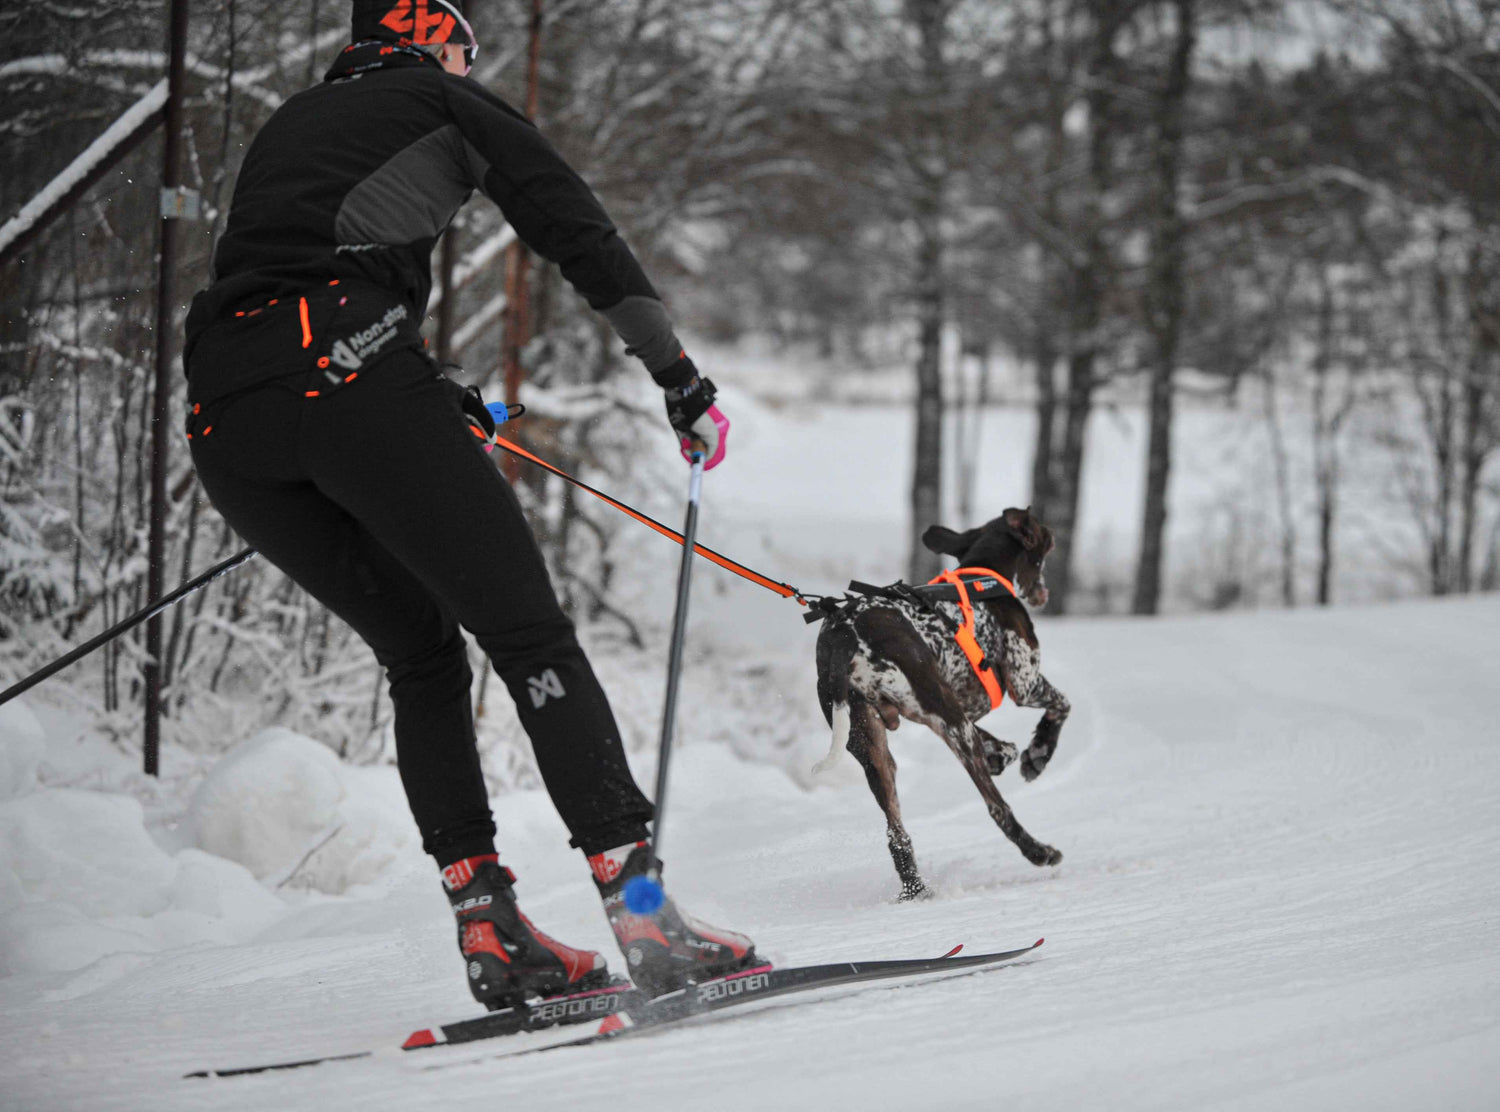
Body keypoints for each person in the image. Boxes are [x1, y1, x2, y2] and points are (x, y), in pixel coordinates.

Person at [181, 0, 751, 1008]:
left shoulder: (292, 124)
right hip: (346, 376)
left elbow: (296, 274)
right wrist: (677, 375)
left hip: (226, 420)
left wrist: (418, 389)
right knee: (530, 636)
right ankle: (645, 909)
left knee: (422, 651)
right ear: (428, 35)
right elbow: (573, 225)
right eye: (464, 44)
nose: (469, 61)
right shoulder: (437, 98)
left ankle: (489, 924)